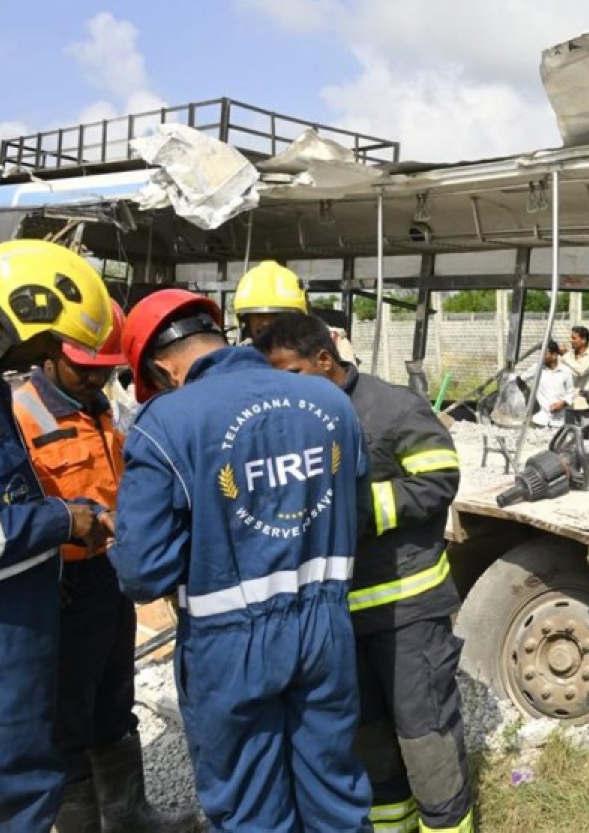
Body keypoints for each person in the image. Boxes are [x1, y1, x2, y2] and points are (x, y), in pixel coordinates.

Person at [108, 289, 373, 832]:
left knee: (253, 812)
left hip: (227, 644)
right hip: (325, 629)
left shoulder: (166, 422)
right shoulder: (329, 401)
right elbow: (357, 511)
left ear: (161, 368)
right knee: (336, 796)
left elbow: (142, 572)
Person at [253, 313, 474, 833]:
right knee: (367, 734)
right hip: (338, 617)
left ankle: (447, 824)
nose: (283, 388)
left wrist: (356, 510)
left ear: (324, 359)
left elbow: (440, 480)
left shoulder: (393, 407)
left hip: (405, 609)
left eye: (291, 373)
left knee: (425, 731)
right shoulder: (289, 422)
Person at [12, 300, 196, 833]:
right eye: (84, 367)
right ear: (49, 355)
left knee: (114, 698)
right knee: (67, 718)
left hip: (110, 574)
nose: (96, 377)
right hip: (60, 585)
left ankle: (129, 816)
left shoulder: (102, 407)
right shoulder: (21, 414)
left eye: (105, 368)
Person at [0, 240, 114, 833]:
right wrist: (62, 522)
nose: (42, 355)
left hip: (38, 601)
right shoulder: (23, 404)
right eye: (46, 342)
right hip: (13, 628)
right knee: (20, 779)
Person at [233, 259, 359, 364]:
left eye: (276, 315)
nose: (267, 322)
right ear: (246, 319)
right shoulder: (240, 355)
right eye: (258, 315)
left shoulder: (334, 343)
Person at [523, 339, 574, 428]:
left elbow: (571, 392)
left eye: (545, 353)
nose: (541, 357)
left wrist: (563, 403)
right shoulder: (537, 368)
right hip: (539, 419)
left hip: (558, 421)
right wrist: (527, 397)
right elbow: (521, 380)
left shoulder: (566, 371)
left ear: (554, 355)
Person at [560, 325, 589, 391]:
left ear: (583, 340)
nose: (570, 341)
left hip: (587, 394)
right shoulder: (568, 356)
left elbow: (582, 371)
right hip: (570, 394)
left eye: (574, 338)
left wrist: (565, 356)